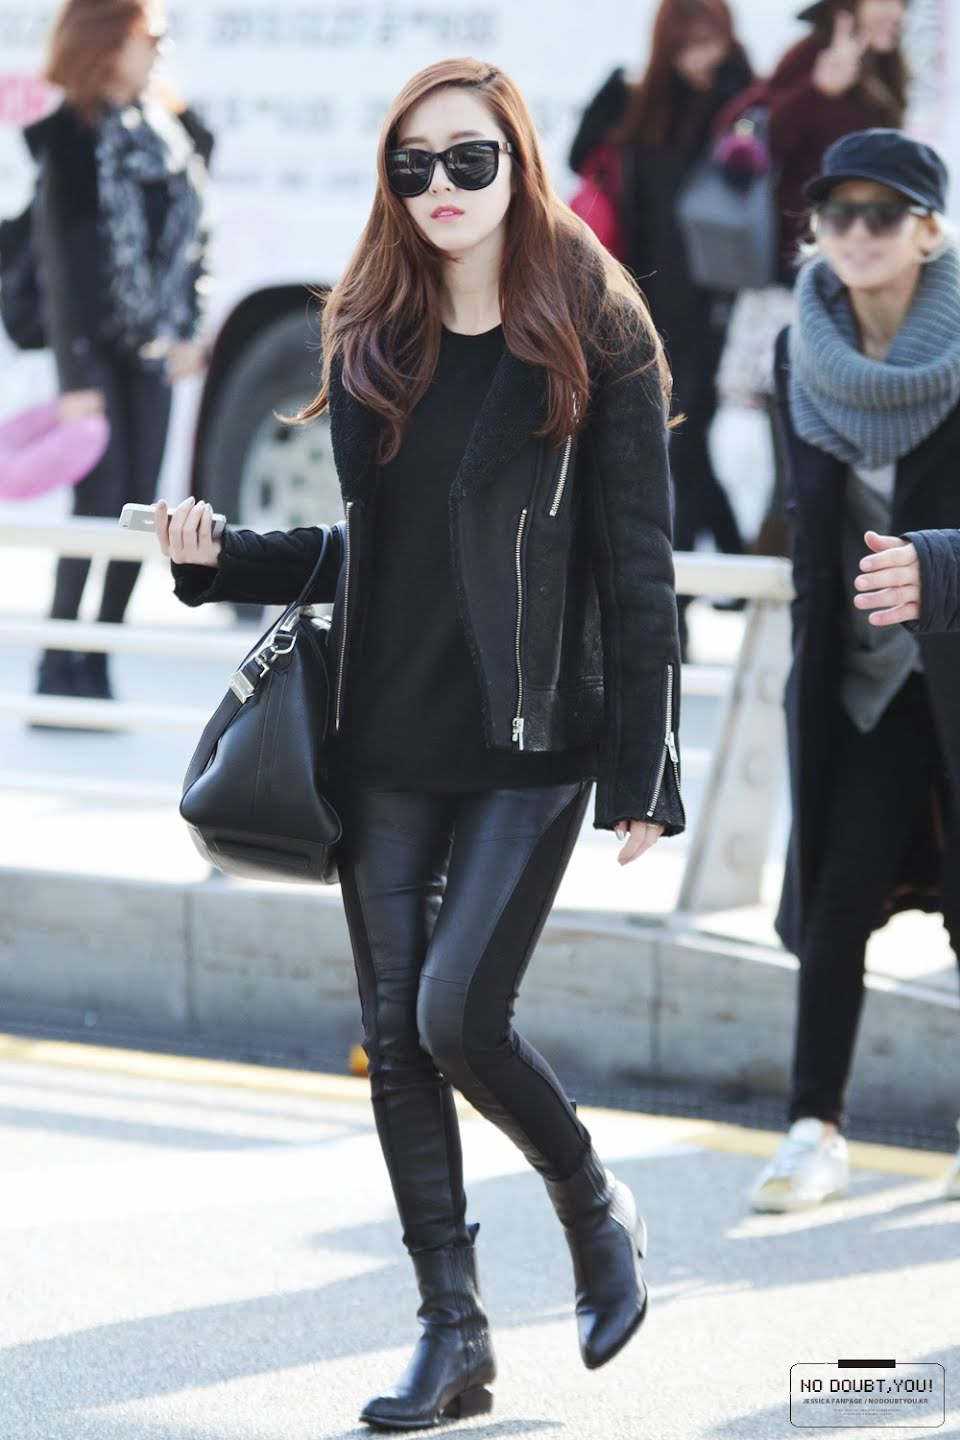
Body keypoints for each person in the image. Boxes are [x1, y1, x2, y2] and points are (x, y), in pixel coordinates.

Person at [152, 56, 686, 1429]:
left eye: (468, 159)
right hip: (384, 734)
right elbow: (371, 552)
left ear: (516, 161)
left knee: (458, 1017)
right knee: (394, 1039)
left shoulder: (595, 323)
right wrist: (223, 562)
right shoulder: (372, 325)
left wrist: (646, 767)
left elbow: (636, 565)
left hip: (534, 739)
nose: (441, 186)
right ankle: (453, 1336)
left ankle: (592, 1202)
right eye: (413, 165)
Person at [748, 129, 960, 1213]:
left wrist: (937, 567)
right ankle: (811, 1129)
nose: (859, 233)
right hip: (867, 676)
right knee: (838, 897)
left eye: (885, 214)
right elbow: (808, 521)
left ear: (928, 230)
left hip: (957, 661)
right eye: (839, 213)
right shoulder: (803, 350)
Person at [25, 0, 212, 708]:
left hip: (154, 347)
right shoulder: (68, 139)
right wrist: (76, 375)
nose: (161, 47)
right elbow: (60, 267)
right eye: (148, 35)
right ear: (107, 42)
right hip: (94, 350)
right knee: (97, 502)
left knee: (140, 506)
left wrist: (190, 327)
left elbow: (198, 239)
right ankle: (58, 661)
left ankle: (100, 655)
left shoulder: (176, 132)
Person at [568, 0, 754, 657]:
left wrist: (732, 85)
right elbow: (577, 156)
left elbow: (754, 169)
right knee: (660, 437)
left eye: (714, 43)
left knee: (687, 436)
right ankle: (725, 565)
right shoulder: (637, 102)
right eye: (691, 45)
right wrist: (613, 93)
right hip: (636, 299)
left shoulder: (732, 103)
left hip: (708, 305)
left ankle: (687, 593)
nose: (704, 57)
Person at [715, 0, 910, 557]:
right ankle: (784, 584)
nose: (898, 12)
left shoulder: (886, 68)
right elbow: (742, 139)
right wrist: (816, 90)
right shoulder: (811, 58)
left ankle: (818, 581)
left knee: (841, 468)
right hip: (799, 289)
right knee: (802, 469)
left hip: (862, 288)